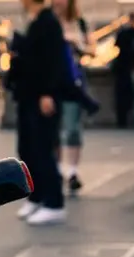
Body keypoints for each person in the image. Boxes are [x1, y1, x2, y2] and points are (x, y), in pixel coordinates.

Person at [13, 0, 67, 225]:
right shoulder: (36, 22)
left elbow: (53, 61)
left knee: (42, 149)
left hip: (41, 96)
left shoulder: (48, 22)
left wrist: (47, 93)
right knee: (28, 149)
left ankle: (54, 202)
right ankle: (37, 196)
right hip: (28, 96)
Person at [52, 0, 93, 194]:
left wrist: (77, 45)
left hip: (73, 82)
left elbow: (92, 49)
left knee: (72, 128)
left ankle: (73, 172)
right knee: (54, 129)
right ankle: (58, 169)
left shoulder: (80, 22)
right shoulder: (47, 21)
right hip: (52, 82)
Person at [113, 12, 134, 128]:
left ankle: (121, 121)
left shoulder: (122, 33)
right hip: (133, 66)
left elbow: (116, 46)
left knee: (121, 96)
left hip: (121, 67)